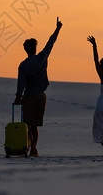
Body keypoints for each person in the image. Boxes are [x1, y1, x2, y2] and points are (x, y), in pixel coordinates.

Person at [14, 17, 63, 157]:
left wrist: (18, 97)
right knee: (35, 124)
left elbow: (21, 84)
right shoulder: (42, 57)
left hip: (29, 96)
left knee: (27, 124)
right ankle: (34, 148)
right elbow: (50, 42)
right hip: (41, 96)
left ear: (25, 49)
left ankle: (32, 148)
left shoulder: (23, 65)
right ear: (35, 48)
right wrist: (57, 29)